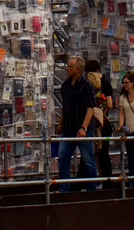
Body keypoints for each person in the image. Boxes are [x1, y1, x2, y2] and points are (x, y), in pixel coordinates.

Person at [53, 56, 99, 191]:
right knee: (63, 156)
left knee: (87, 159)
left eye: (69, 66)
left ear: (77, 69)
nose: (67, 68)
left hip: (82, 128)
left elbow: (90, 108)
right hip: (68, 128)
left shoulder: (86, 85)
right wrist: (60, 124)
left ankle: (91, 188)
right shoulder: (66, 84)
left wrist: (84, 127)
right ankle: (64, 188)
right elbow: (64, 106)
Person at [85, 67, 111, 183]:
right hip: (102, 125)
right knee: (99, 155)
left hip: (98, 127)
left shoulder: (95, 96)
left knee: (99, 155)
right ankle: (104, 180)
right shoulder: (101, 94)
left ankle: (102, 180)